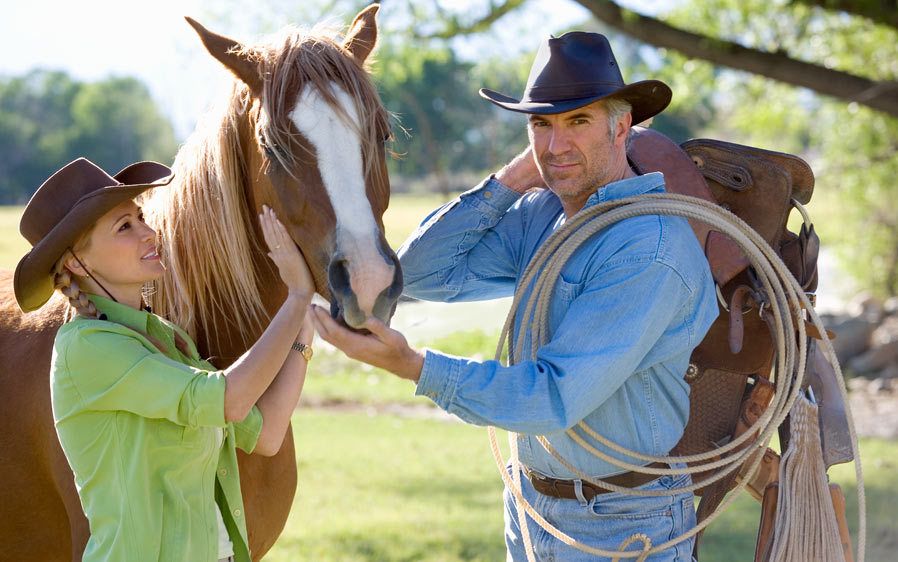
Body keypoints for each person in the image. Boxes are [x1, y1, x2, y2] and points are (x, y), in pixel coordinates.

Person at [311, 32, 719, 560]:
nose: (556, 145)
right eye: (541, 125)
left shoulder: (648, 248)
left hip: (622, 520)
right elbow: (424, 271)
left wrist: (414, 367)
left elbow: (552, 397)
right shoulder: (544, 216)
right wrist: (518, 174)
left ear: (621, 128)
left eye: (578, 122)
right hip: (532, 505)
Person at [14, 157, 315, 562]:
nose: (149, 233)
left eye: (140, 218)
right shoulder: (87, 349)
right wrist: (296, 298)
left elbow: (266, 435)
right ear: (76, 262)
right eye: (125, 227)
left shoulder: (166, 338)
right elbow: (229, 399)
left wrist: (302, 335)